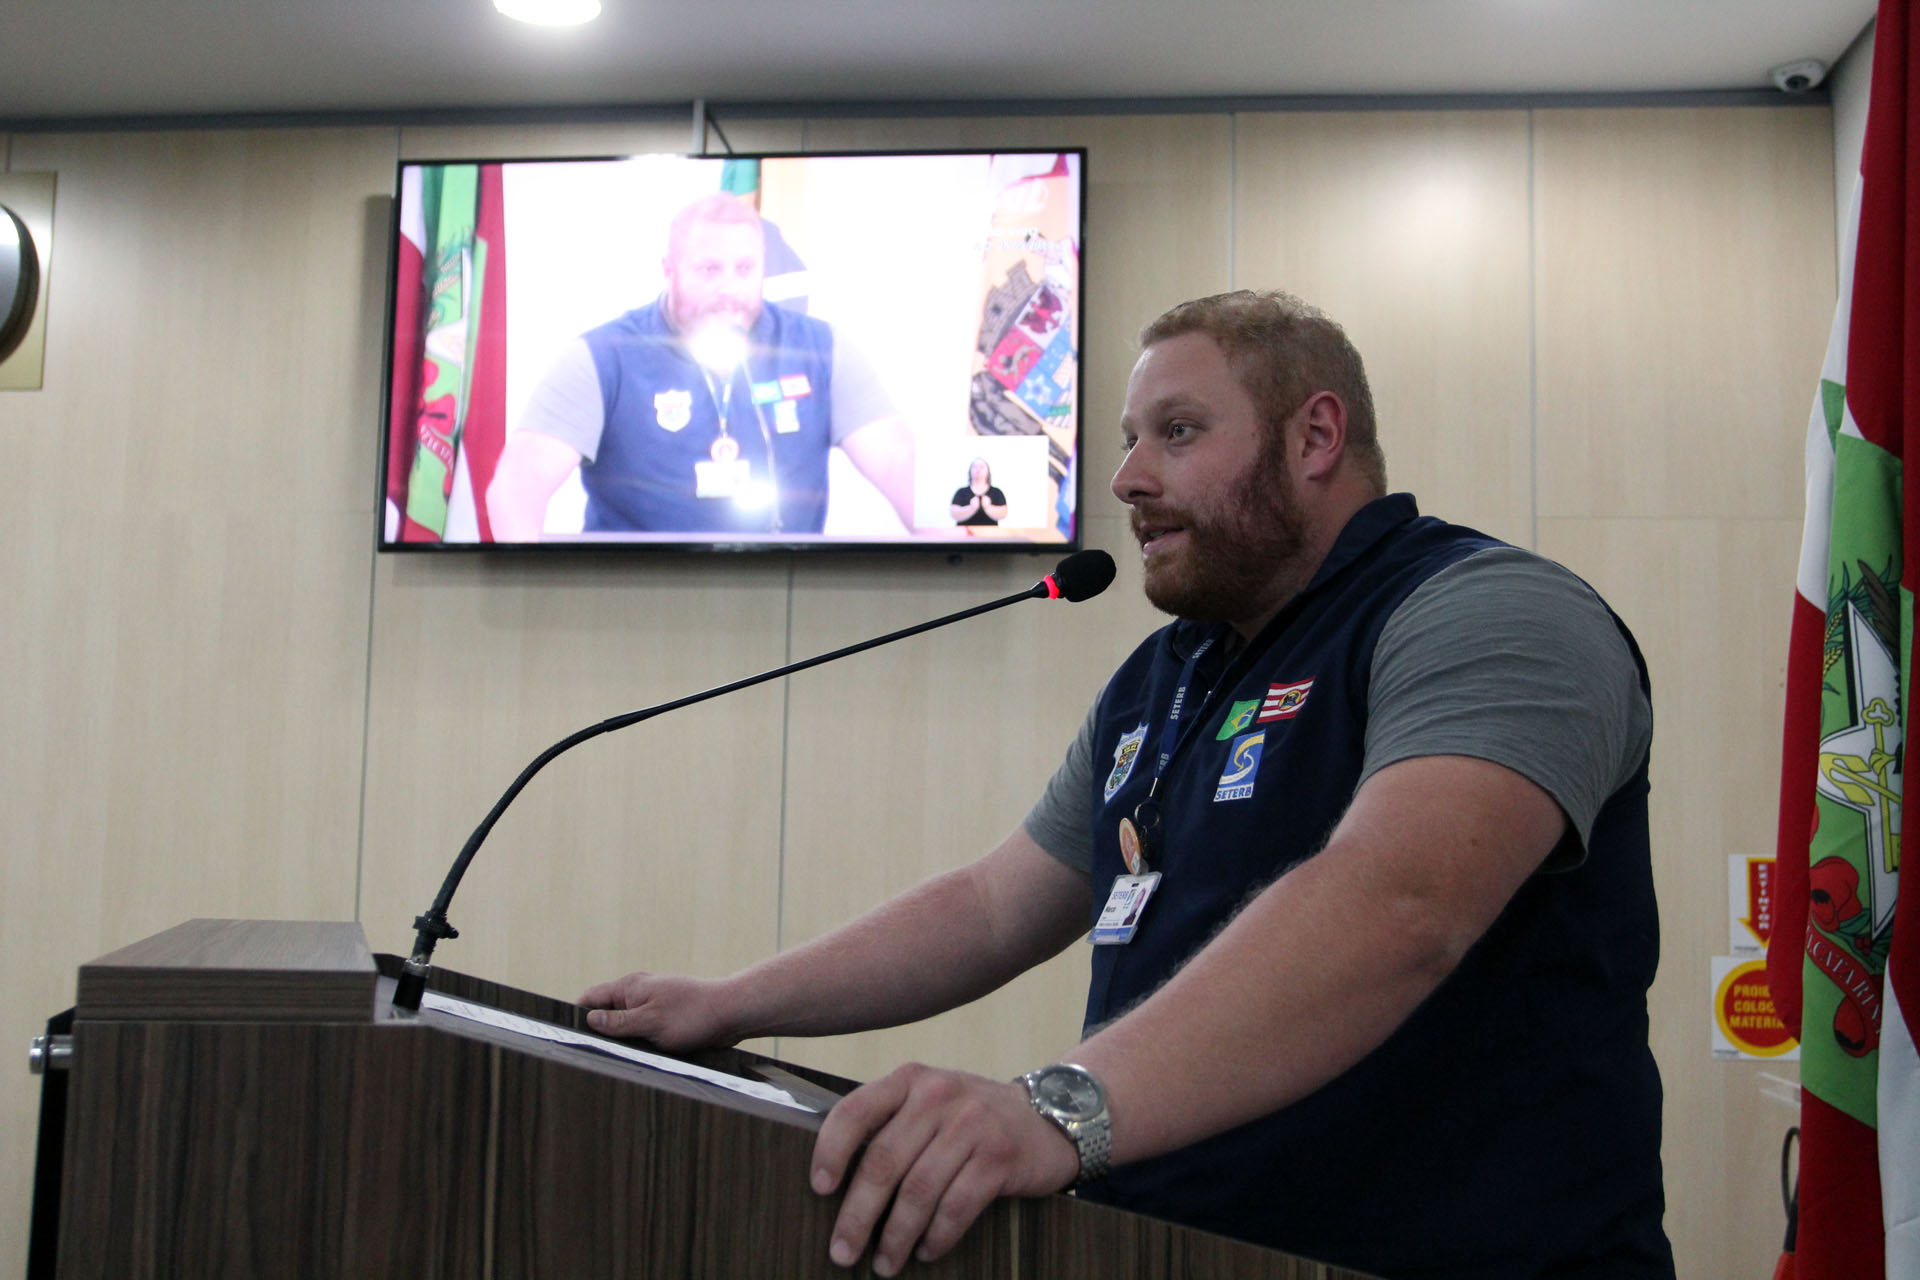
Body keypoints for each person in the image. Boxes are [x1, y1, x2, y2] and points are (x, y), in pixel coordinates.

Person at [580, 290, 1673, 1280]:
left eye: (1178, 432)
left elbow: (1401, 902)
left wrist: (1054, 1110)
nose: (1127, 479)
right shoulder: (1168, 674)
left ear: (1316, 437)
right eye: (1128, 440)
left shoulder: (1490, 612)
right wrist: (734, 1002)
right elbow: (995, 905)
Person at [486, 192, 915, 538]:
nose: (729, 288)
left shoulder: (820, 351)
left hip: (781, 597)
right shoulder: (602, 357)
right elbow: (517, 487)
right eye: (709, 270)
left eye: (744, 269)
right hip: (633, 601)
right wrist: (530, 590)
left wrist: (947, 543)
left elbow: (899, 465)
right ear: (669, 270)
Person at [948, 457, 1008, 526]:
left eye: (981, 467)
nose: (978, 469)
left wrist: (988, 507)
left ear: (988, 471)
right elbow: (954, 514)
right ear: (970, 471)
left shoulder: (996, 492)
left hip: (990, 532)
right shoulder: (961, 492)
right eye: (975, 467)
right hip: (965, 532)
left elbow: (1004, 513)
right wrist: (971, 508)